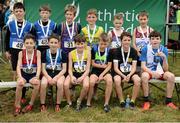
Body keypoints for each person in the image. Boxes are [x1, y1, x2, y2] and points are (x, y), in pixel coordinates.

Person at [140, 31, 178, 110]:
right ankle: (146, 101)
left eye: (157, 39)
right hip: (149, 71)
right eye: (153, 39)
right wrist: (152, 73)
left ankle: (168, 101)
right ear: (149, 40)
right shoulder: (145, 49)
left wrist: (164, 58)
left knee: (171, 76)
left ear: (160, 40)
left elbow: (166, 69)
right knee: (144, 76)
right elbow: (143, 66)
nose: (155, 40)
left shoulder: (164, 49)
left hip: (160, 71)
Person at [5, 2, 33, 103]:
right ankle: (17, 90)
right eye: (16, 11)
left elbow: (33, 39)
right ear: (14, 13)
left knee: (23, 71)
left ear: (24, 12)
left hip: (25, 52)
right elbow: (7, 37)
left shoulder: (29, 25)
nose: (19, 13)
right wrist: (7, 50)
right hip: (14, 51)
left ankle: (23, 95)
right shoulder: (10, 24)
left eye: (20, 11)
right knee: (15, 71)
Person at [14, 34, 41, 116]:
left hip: (33, 75)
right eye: (27, 43)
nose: (29, 45)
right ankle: (17, 105)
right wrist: (20, 77)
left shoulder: (38, 52)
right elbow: (18, 66)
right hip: (24, 74)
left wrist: (37, 76)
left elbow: (39, 66)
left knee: (37, 84)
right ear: (24, 44)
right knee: (20, 84)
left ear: (34, 44)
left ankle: (30, 104)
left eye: (31, 43)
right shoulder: (21, 53)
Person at [113, 32, 141, 109]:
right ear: (121, 41)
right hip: (119, 73)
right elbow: (115, 68)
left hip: (130, 72)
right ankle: (121, 100)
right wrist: (123, 75)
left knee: (138, 80)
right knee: (117, 80)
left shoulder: (133, 51)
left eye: (129, 40)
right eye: (125, 40)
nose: (127, 42)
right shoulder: (116, 51)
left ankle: (132, 101)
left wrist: (129, 75)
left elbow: (134, 67)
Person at [40, 34, 67, 112]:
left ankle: (58, 104)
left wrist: (56, 77)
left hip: (59, 73)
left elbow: (64, 69)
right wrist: (48, 77)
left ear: (59, 44)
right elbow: (43, 69)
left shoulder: (63, 53)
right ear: (48, 43)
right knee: (43, 83)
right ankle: (42, 104)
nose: (53, 44)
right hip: (47, 73)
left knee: (60, 84)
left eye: (55, 42)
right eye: (51, 42)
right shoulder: (45, 53)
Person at [86, 33, 112, 112]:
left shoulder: (110, 51)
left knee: (110, 81)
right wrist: (103, 66)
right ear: (98, 42)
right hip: (95, 70)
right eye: (101, 44)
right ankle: (88, 102)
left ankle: (106, 103)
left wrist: (102, 74)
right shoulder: (94, 49)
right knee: (91, 82)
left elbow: (109, 66)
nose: (103, 46)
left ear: (108, 43)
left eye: (105, 44)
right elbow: (93, 63)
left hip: (106, 71)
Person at [64, 34, 91, 111]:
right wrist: (72, 77)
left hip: (84, 74)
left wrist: (82, 77)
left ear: (85, 44)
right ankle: (69, 102)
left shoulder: (88, 53)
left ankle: (79, 101)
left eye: (82, 44)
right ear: (75, 44)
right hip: (73, 73)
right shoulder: (71, 53)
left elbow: (88, 69)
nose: (80, 46)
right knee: (65, 84)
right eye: (78, 44)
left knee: (86, 85)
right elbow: (69, 69)